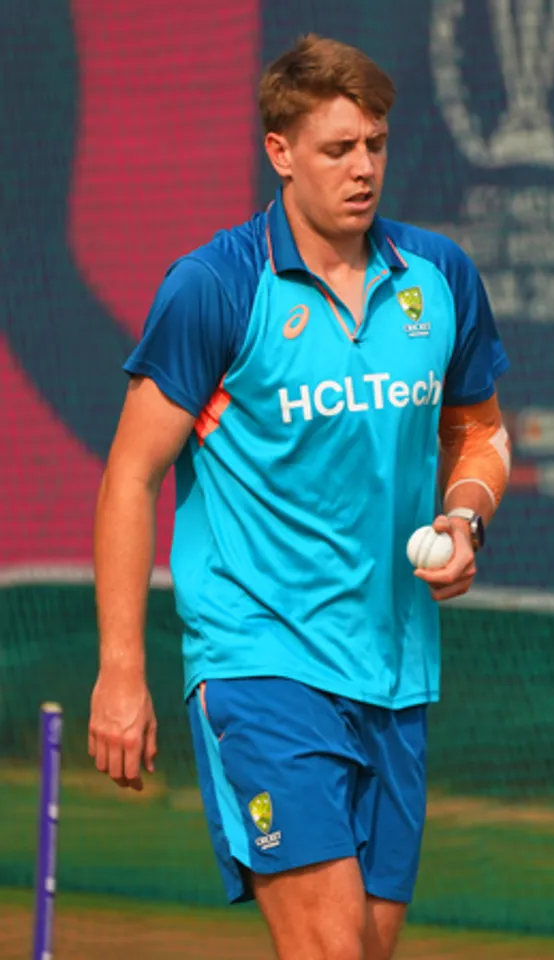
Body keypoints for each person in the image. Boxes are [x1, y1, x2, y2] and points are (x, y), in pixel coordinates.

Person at [88, 33, 511, 960]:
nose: (363, 169)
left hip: (395, 669)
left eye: (376, 144)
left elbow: (479, 432)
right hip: (260, 660)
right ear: (279, 152)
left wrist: (464, 516)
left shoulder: (438, 277)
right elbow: (130, 477)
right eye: (338, 149)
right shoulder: (215, 287)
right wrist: (121, 670)